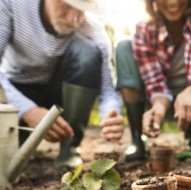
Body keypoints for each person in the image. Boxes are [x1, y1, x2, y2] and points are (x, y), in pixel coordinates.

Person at [0, 0, 124, 168]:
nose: (74, 19)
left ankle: (69, 148)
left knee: (86, 52)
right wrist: (28, 110)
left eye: (82, 10)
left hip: (58, 96)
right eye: (66, 6)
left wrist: (111, 113)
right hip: (14, 94)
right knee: (8, 157)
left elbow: (107, 91)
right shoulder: (11, 5)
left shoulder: (93, 31)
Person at [115, 0, 191, 161]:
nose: (173, 2)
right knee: (124, 47)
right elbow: (155, 84)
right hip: (162, 102)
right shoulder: (144, 28)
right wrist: (159, 106)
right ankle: (137, 138)